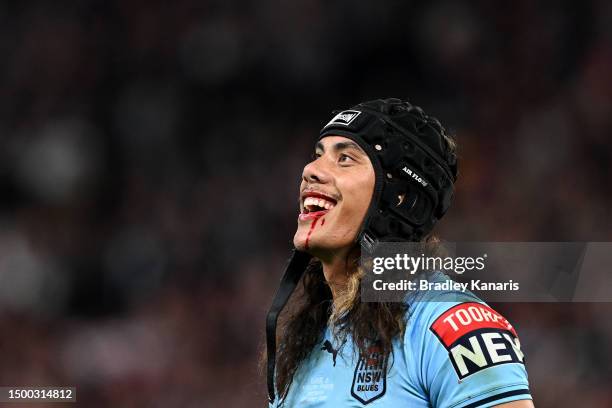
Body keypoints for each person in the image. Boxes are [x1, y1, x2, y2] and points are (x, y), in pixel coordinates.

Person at [265, 98, 533, 407]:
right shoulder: (302, 344)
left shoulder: (454, 326)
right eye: (318, 155)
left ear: (400, 198)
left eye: (345, 159)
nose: (311, 170)